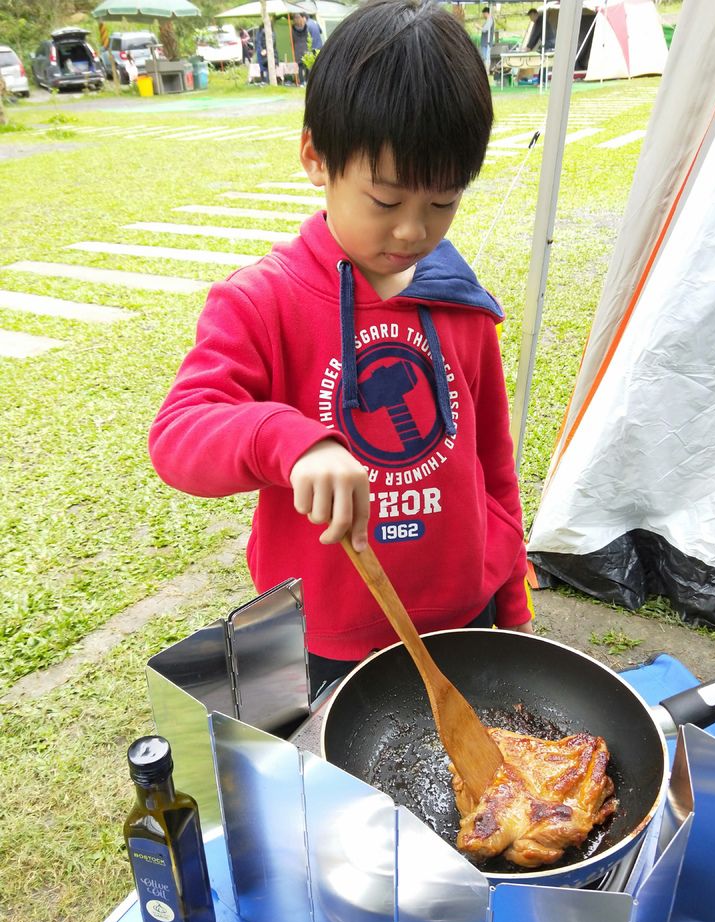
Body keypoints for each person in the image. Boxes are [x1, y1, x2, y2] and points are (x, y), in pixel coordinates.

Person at [149, 0, 534, 700]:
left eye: (443, 201)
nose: (415, 230)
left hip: (464, 623)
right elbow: (177, 435)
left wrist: (510, 607)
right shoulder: (261, 302)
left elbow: (492, 471)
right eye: (385, 201)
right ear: (315, 159)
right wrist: (292, 441)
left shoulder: (459, 302)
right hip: (321, 640)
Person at [291, 11, 323, 84]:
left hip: (308, 48)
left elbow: (293, 39)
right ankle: (311, 81)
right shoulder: (314, 22)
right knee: (311, 66)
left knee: (301, 66)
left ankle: (303, 82)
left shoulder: (304, 26)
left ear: (304, 18)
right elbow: (320, 31)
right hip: (318, 46)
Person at [480, 5, 494, 72]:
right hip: (484, 42)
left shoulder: (490, 20)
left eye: (483, 14)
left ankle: (487, 71)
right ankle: (486, 70)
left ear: (486, 13)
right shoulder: (488, 20)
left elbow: (484, 30)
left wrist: (478, 27)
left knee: (486, 58)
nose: (483, 16)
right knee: (485, 57)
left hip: (487, 43)